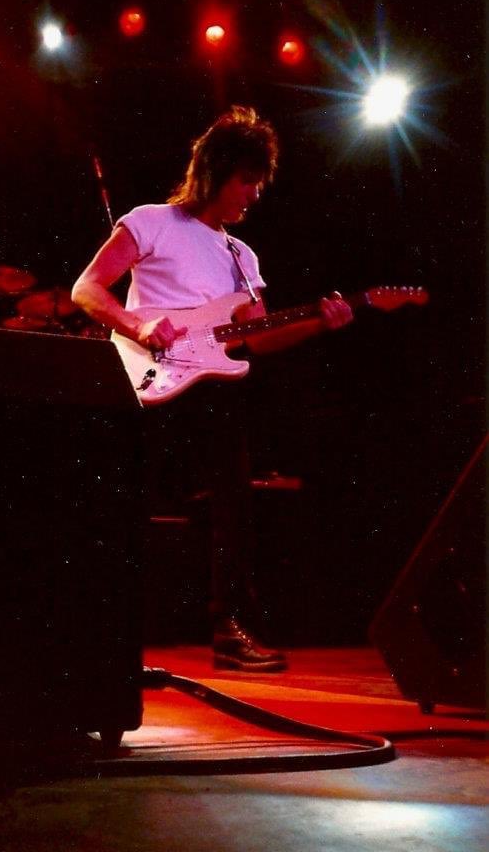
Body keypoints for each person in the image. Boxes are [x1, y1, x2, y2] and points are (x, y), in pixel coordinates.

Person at [71, 105, 353, 671]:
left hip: (214, 388)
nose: (254, 194)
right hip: (147, 379)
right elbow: (87, 288)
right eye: (247, 181)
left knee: (234, 505)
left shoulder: (240, 256)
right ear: (215, 172)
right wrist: (140, 324)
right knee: (128, 500)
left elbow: (258, 337)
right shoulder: (150, 221)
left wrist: (320, 322)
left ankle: (229, 630)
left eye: (259, 183)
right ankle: (100, 633)